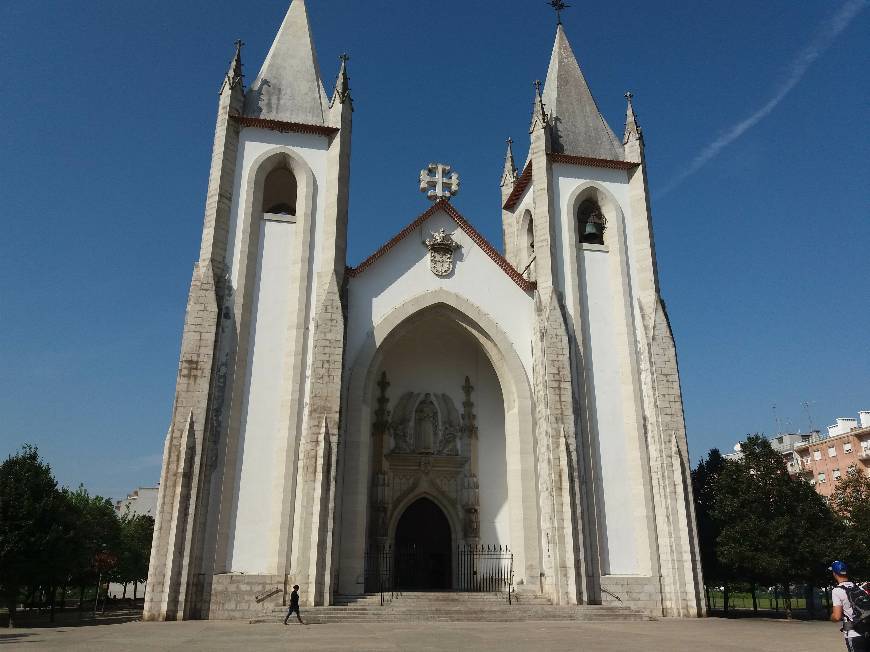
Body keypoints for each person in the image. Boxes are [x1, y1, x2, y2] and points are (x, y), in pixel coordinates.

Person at [830, 560, 869, 651]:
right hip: (867, 631)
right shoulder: (859, 588)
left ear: (834, 574)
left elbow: (837, 617)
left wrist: (831, 616)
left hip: (854, 634)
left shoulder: (837, 591)